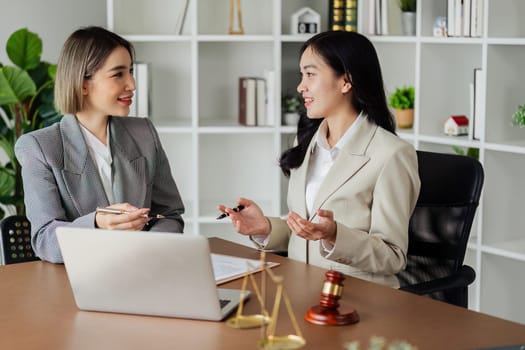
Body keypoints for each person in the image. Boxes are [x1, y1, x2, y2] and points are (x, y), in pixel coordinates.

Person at [218, 31, 421, 288]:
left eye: (310, 74)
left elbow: (393, 257)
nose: (300, 86)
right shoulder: (307, 142)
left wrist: (335, 235)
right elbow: (306, 232)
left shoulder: (391, 154)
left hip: (356, 299)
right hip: (300, 290)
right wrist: (265, 228)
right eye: (302, 75)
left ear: (346, 81)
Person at [15, 26, 185, 263]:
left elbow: (170, 215)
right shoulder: (39, 147)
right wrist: (97, 223)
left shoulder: (144, 133)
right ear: (83, 84)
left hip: (143, 270)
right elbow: (45, 241)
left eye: (131, 72)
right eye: (118, 74)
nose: (132, 84)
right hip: (79, 281)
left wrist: (149, 248)